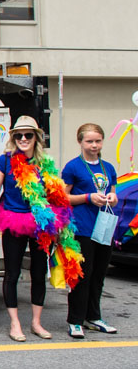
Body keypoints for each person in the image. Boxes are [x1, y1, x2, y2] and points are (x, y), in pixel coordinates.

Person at [0, 116, 69, 342]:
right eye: (18, 135)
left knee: (37, 273)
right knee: (12, 273)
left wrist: (57, 222)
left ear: (36, 138)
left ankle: (36, 322)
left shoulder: (46, 163)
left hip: (40, 223)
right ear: (13, 138)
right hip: (14, 220)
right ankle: (15, 323)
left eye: (28, 135)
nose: (23, 139)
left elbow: (55, 195)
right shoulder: (5, 160)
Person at [62, 123, 119, 339]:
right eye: (89, 141)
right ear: (80, 142)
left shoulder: (108, 168)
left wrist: (112, 198)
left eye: (97, 141)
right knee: (82, 275)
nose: (94, 145)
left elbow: (113, 195)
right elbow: (63, 198)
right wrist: (87, 197)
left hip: (104, 227)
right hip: (82, 228)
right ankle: (75, 320)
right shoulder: (72, 167)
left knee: (99, 275)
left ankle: (93, 317)